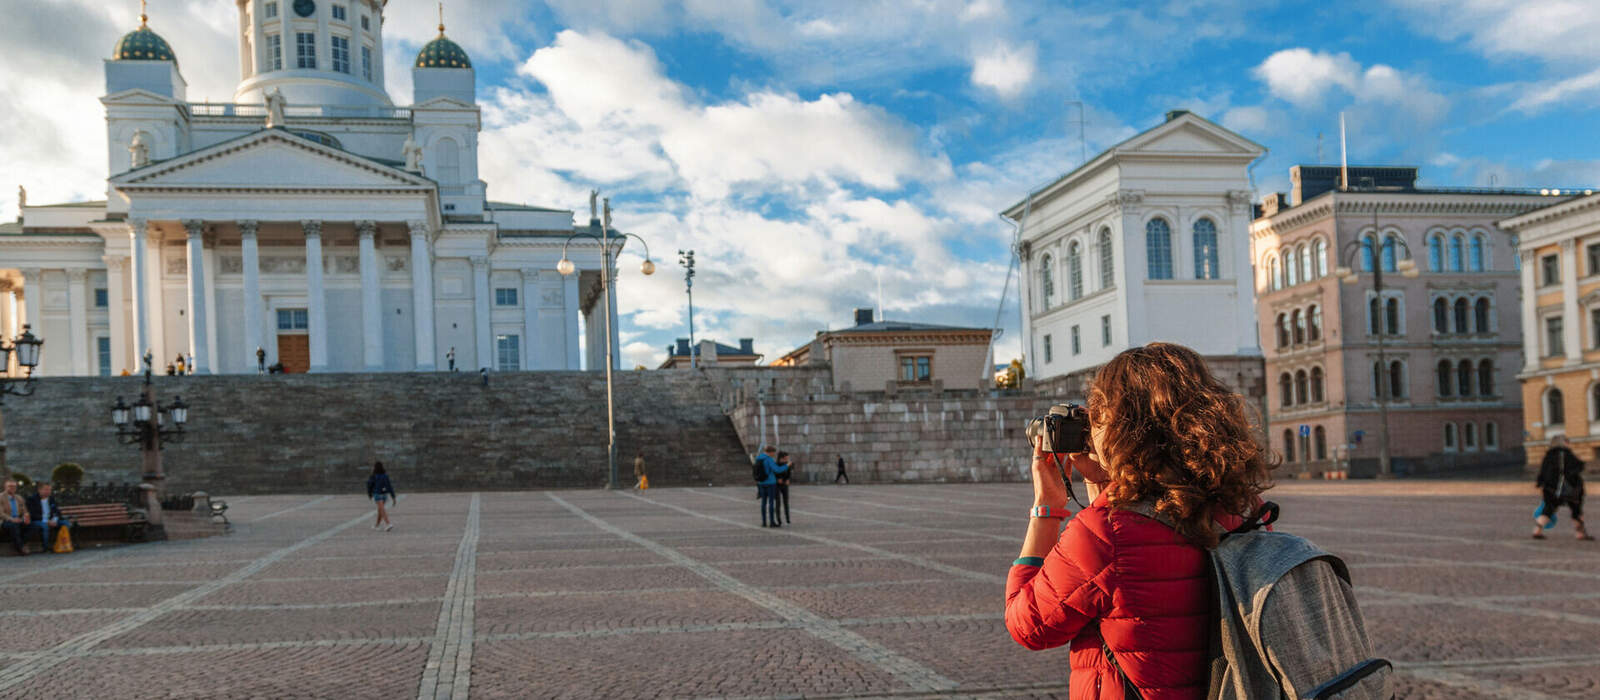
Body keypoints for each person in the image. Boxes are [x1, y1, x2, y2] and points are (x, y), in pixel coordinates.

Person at [1005, 343, 1273, 698]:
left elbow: (1029, 626)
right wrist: (1106, 483)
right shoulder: (1245, 508)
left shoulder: (1104, 533)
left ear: (1121, 428)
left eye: (1099, 415)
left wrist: (1046, 508)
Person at [1535, 436, 1591, 540]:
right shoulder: (1567, 454)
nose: (1569, 444)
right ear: (1563, 443)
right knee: (1576, 510)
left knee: (1548, 509)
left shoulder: (1548, 455)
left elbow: (1543, 472)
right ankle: (1580, 534)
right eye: (1567, 442)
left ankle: (1537, 530)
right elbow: (1578, 467)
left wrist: (1540, 483)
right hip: (1568, 488)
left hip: (1550, 488)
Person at [26, 482, 70, 553]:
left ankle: (61, 544)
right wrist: (46, 521)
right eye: (46, 490)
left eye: (49, 490)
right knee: (44, 526)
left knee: (66, 523)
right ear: (39, 490)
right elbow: (32, 514)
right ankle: (45, 547)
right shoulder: (32, 499)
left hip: (51, 520)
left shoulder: (51, 499)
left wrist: (55, 520)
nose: (48, 492)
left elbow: (57, 512)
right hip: (38, 520)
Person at [1, 480, 31, 555]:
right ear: (5, 487)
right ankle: (21, 549)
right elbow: (1, 513)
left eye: (14, 486)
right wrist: (12, 519)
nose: (12, 488)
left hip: (18, 519)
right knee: (14, 526)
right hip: (6, 520)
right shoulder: (1, 497)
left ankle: (21, 544)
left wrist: (26, 517)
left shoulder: (19, 498)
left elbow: (24, 510)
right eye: (10, 486)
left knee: (33, 525)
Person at [755, 446, 780, 527]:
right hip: (770, 483)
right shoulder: (769, 459)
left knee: (763, 503)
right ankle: (772, 522)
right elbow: (777, 470)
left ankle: (764, 522)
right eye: (773, 453)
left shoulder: (758, 458)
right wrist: (787, 465)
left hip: (761, 483)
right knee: (771, 502)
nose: (774, 454)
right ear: (770, 452)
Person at [366, 461, 396, 531]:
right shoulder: (385, 476)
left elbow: (369, 485)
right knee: (380, 510)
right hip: (384, 494)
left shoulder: (373, 476)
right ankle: (377, 525)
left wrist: (370, 494)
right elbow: (389, 486)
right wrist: (393, 496)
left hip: (377, 494)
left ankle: (388, 523)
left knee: (381, 509)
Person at [773, 451, 793, 525]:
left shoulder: (788, 464)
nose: (788, 459)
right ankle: (779, 519)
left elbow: (789, 473)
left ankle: (788, 519)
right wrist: (777, 478)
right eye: (786, 457)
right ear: (782, 458)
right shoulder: (775, 464)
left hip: (785, 484)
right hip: (777, 485)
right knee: (778, 502)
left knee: (786, 502)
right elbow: (774, 472)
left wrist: (788, 479)